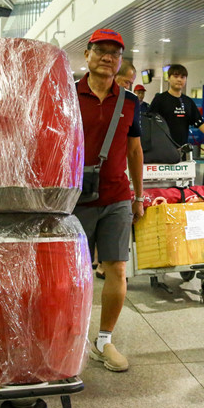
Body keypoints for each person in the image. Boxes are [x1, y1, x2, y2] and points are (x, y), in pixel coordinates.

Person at [73, 28, 144, 372]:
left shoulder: (130, 102)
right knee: (74, 271)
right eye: (101, 50)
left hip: (116, 195)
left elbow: (134, 150)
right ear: (87, 54)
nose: (107, 58)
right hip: (74, 198)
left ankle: (104, 339)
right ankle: (69, 335)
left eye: (114, 53)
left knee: (117, 267)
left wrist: (139, 196)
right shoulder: (68, 95)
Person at [148, 64, 204, 149]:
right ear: (168, 78)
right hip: (161, 147)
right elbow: (149, 122)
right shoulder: (160, 99)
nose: (179, 79)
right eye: (176, 76)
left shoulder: (188, 102)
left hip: (182, 147)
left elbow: (199, 123)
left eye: (182, 77)